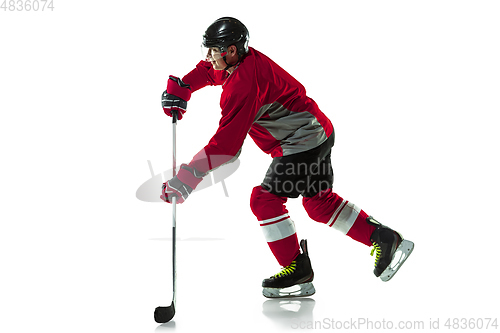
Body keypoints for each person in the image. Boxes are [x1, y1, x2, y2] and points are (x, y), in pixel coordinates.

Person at [160, 17, 414, 298]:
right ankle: (383, 237)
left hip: (302, 141)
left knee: (264, 200)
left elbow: (226, 147)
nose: (208, 57)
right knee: (319, 204)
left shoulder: (243, 84)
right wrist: (184, 86)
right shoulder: (239, 62)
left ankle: (296, 270)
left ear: (231, 51)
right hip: (317, 131)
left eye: (213, 51)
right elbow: (210, 72)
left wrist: (187, 178)